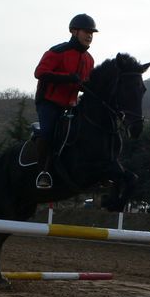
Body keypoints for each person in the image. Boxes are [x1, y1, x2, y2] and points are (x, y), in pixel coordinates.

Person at [32, 13, 97, 189]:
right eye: (86, 31)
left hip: (71, 104)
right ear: (74, 31)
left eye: (92, 32)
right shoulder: (57, 51)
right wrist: (68, 78)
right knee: (48, 132)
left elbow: (84, 83)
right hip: (49, 102)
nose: (90, 35)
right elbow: (39, 73)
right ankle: (43, 172)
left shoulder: (89, 60)